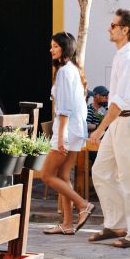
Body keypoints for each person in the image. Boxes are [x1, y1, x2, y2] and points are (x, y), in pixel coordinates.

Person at [86, 9, 130, 248]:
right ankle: (116, 223)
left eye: (113, 25)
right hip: (119, 121)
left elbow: (120, 99)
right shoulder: (121, 56)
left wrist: (99, 129)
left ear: (125, 30)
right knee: (101, 171)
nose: (109, 28)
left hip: (129, 121)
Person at [40, 32, 95, 234]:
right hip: (76, 130)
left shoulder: (64, 72)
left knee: (47, 175)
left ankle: (83, 205)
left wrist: (61, 136)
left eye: (55, 46)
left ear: (64, 48)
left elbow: (64, 107)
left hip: (66, 130)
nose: (51, 49)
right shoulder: (73, 70)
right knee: (63, 175)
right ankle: (67, 223)